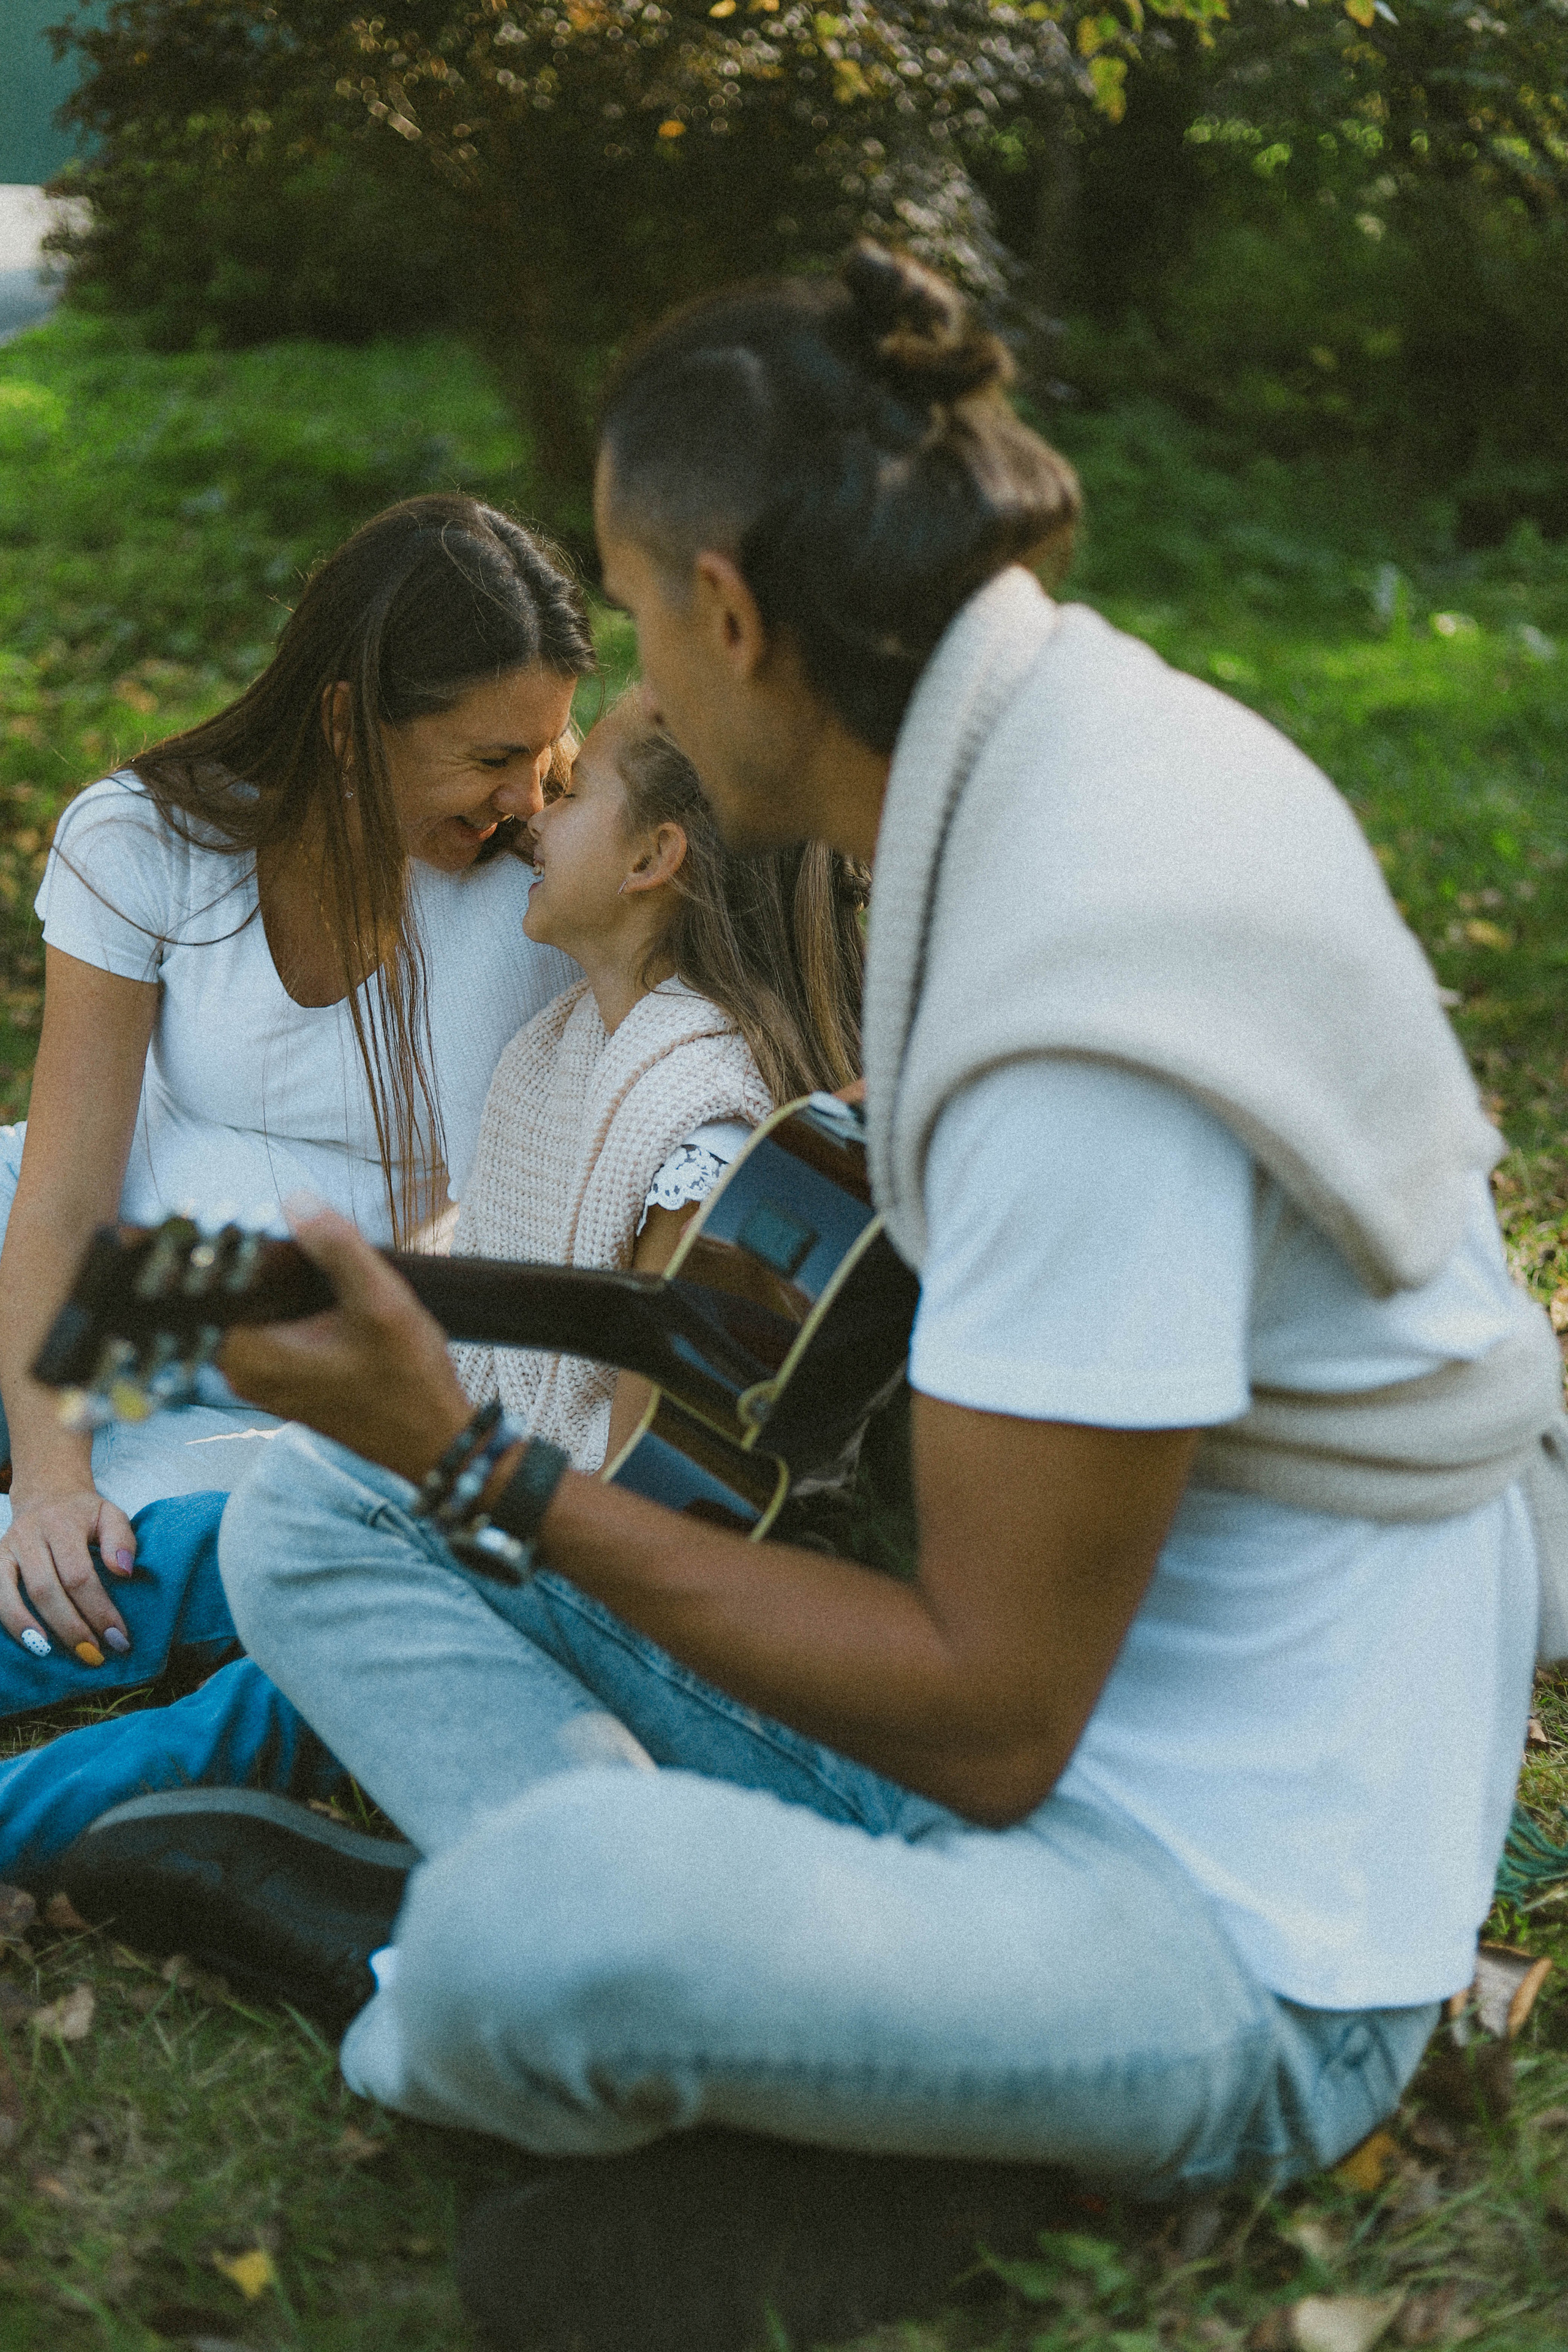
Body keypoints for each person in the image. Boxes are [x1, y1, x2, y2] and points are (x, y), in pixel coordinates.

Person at [55, 244, 1565, 2352]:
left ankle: (487, 1984)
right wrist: (428, 1445)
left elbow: (989, 1710)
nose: (608, 731)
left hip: (1228, 1931)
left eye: (635, 631)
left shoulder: (1080, 991)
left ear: (733, 615)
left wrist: (479, 1456)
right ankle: (768, 2055)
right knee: (315, 1507)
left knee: (548, 1927)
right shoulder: (1066, 752)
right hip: (1033, 1776)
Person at [0, 696, 865, 1896]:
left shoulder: (696, 1127)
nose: (532, 812)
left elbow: (650, 1522)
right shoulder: (566, 1047)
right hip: (450, 1519)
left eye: (568, 793)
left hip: (545, 1602)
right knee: (155, 1557)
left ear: (653, 859)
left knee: (227, 1722)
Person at [0, 492, 590, 1702]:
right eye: (491, 758)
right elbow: (60, 1198)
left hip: (278, 1361)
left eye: (546, 752)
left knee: (148, 1568)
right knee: (61, 1501)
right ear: (343, 721)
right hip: (89, 1281)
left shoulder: (553, 888)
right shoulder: (147, 841)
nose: (526, 795)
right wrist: (53, 1473)